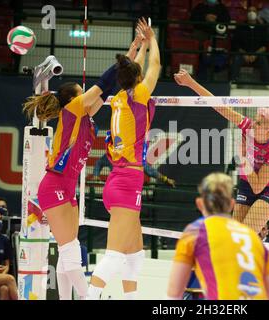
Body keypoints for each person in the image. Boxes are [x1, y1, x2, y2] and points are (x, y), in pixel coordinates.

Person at [22, 25, 148, 300]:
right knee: (69, 251)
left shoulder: (87, 118)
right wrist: (130, 52)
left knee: (70, 249)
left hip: (67, 187)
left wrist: (134, 49)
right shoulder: (72, 109)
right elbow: (104, 81)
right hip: (53, 183)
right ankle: (90, 297)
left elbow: (115, 82)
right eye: (82, 92)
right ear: (73, 98)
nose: (88, 95)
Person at [87, 18, 161, 300]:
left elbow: (136, 71)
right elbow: (155, 67)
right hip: (127, 181)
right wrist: (152, 40)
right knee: (115, 256)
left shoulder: (118, 97)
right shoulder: (139, 94)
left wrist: (139, 46)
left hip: (120, 180)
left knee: (136, 255)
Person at [174, 69, 269, 234]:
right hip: (247, 182)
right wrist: (190, 83)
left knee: (246, 233)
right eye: (255, 120)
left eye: (259, 123)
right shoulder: (248, 126)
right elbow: (219, 107)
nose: (253, 124)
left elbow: (258, 187)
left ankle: (258, 240)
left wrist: (242, 157)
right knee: (234, 233)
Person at [167, 172, 269, 300]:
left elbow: (173, 293)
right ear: (231, 204)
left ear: (200, 203)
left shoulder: (195, 232)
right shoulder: (253, 239)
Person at [231, 6, 269, 86]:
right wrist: (245, 54)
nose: (251, 13)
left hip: (257, 54)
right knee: (236, 58)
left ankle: (266, 83)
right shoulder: (240, 27)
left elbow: (265, 45)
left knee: (264, 58)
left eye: (254, 11)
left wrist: (255, 55)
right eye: (249, 11)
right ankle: (233, 81)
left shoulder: (262, 28)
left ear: (257, 13)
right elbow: (236, 44)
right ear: (246, 13)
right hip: (243, 54)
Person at [92, 153, 176, 187]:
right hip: (116, 188)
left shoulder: (135, 157)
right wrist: (96, 175)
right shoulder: (112, 154)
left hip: (131, 190)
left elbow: (150, 171)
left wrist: (165, 179)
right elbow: (99, 162)